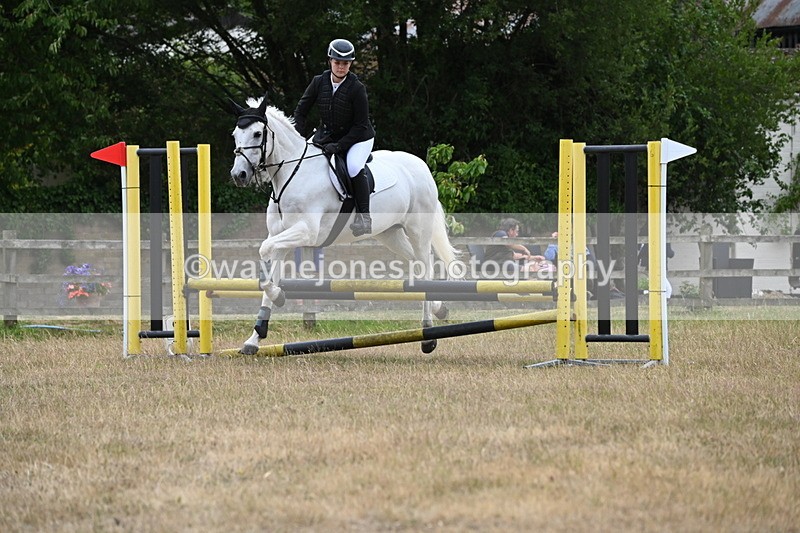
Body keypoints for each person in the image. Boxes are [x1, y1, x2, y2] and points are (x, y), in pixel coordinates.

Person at [293, 39, 376, 236]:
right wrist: (297, 135)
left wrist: (339, 146)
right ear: (330, 61)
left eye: (345, 63)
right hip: (327, 135)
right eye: (337, 62)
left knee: (354, 166)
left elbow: (360, 125)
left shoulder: (357, 88)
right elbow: (300, 112)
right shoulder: (318, 82)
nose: (341, 67)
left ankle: (364, 217)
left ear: (350, 64)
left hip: (358, 138)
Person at [483, 218, 553, 273]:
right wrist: (524, 249)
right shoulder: (500, 233)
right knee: (528, 269)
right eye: (516, 231)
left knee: (531, 266)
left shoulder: (505, 247)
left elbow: (515, 255)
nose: (517, 234)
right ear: (511, 230)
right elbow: (509, 243)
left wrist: (533, 257)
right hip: (495, 265)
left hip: (503, 264)